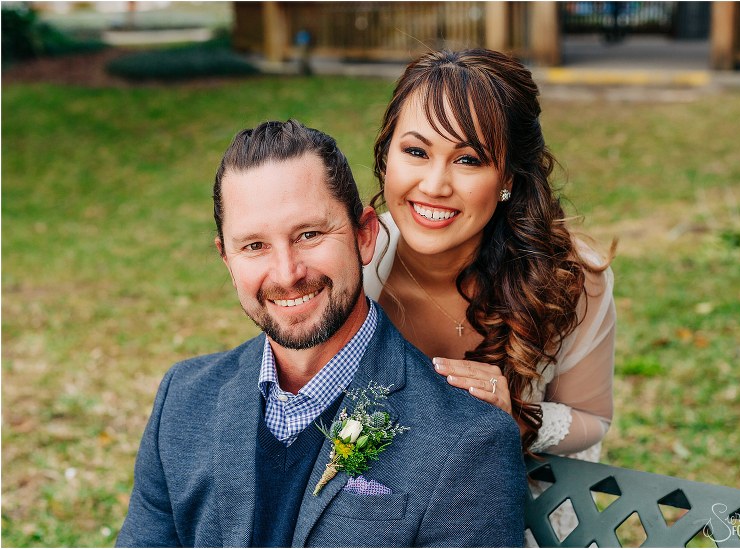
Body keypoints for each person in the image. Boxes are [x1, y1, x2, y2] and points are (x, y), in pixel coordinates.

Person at [117, 120, 526, 547]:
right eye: (254, 246)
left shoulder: (468, 438)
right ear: (227, 259)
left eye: (309, 235)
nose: (287, 273)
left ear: (365, 235)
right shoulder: (182, 400)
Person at [363, 48, 616, 462]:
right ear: (386, 155)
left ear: (508, 180)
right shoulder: (348, 265)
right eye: (416, 152)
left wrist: (515, 417)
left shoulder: (570, 278)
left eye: (468, 159)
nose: (434, 185)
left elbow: (591, 419)